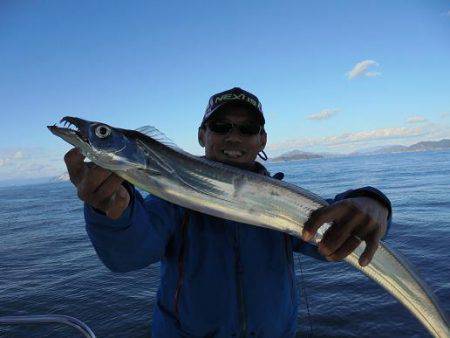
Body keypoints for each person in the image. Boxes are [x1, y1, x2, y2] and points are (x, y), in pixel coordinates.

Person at [64, 87, 392, 338]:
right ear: (202, 135)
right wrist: (111, 210)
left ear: (262, 139)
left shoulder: (281, 203)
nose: (233, 136)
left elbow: (332, 237)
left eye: (248, 129)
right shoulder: (171, 202)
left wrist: (371, 201)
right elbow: (127, 256)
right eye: (221, 126)